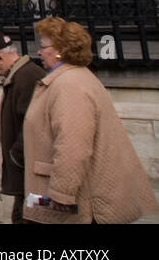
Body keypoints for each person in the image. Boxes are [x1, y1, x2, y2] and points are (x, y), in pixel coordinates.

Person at [23, 17, 159, 224]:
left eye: (43, 47)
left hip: (85, 205)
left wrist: (60, 195)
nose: (39, 52)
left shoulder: (69, 84)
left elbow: (72, 145)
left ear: (60, 49)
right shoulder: (74, 78)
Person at [0, 28, 45, 223]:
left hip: (31, 176)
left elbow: (35, 125)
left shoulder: (27, 77)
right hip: (26, 176)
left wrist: (15, 156)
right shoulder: (19, 76)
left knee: (26, 218)